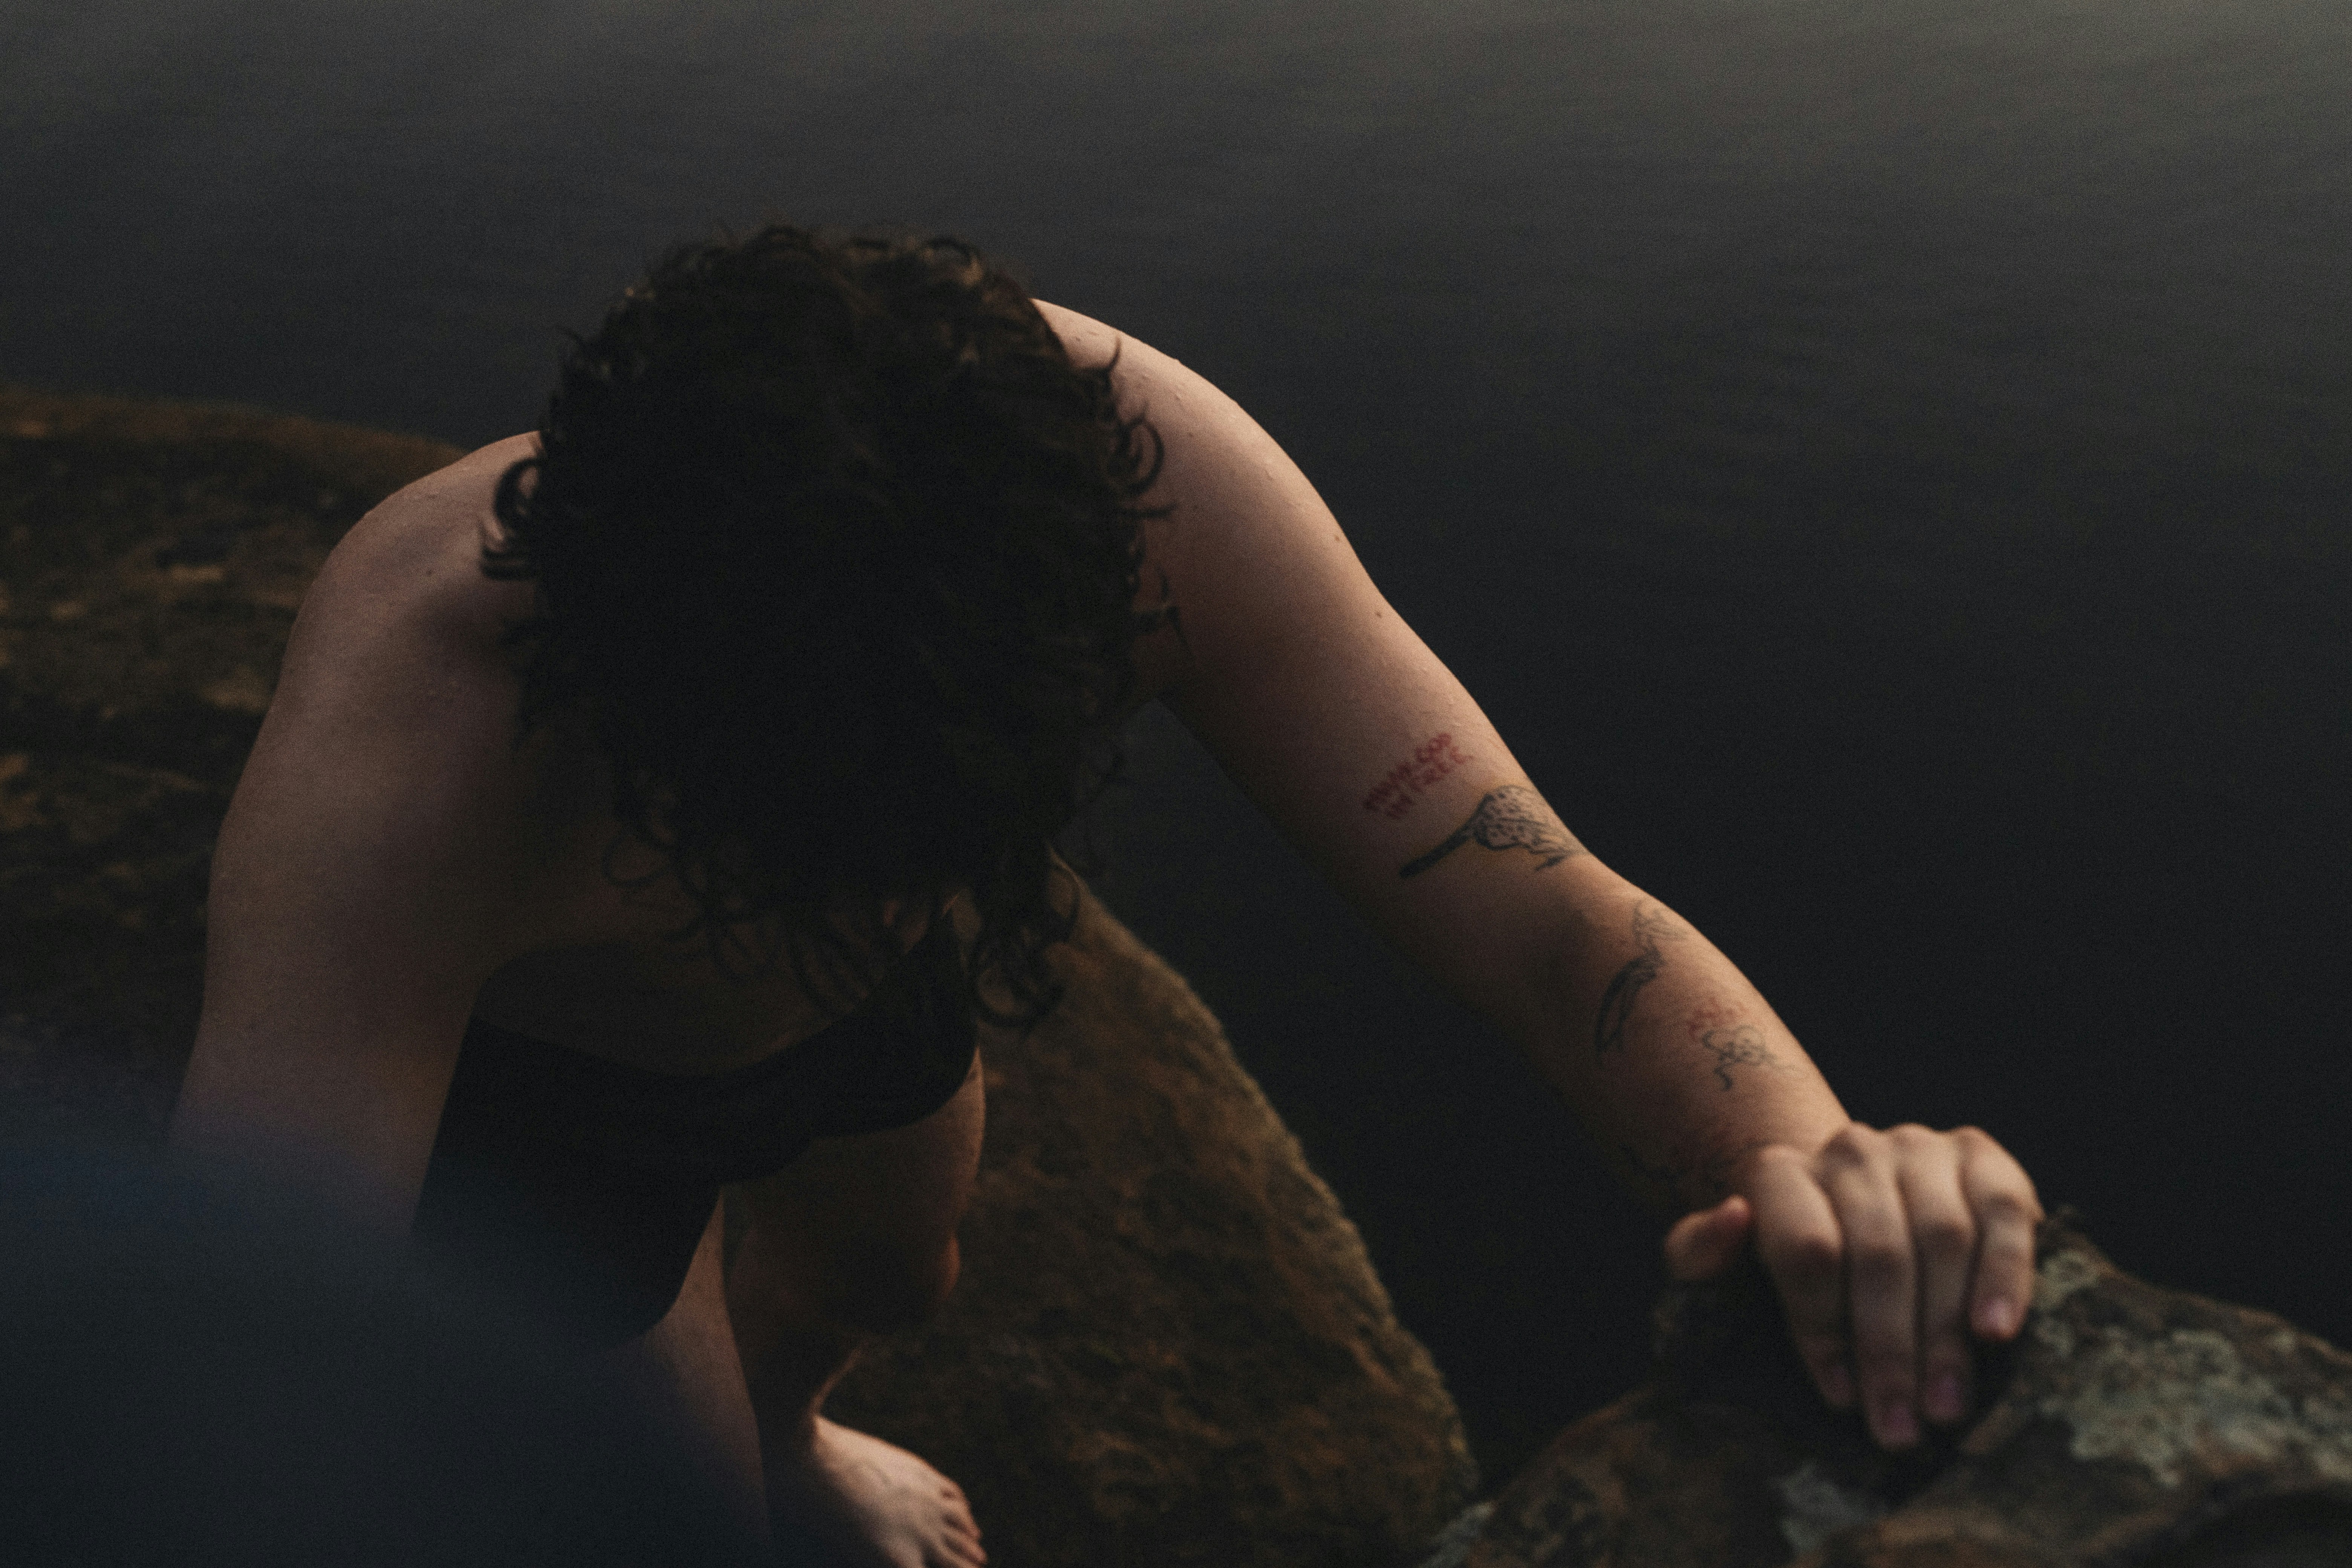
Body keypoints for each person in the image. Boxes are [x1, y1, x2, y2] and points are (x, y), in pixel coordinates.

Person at [170, 225, 2043, 1568]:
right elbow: (248, 1337)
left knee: (895, 1266)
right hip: (579, 1087)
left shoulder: (1129, 478)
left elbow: (1555, 925)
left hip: (880, 1002)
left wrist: (1807, 1167)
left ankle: (792, 1416)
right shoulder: (411, 757)